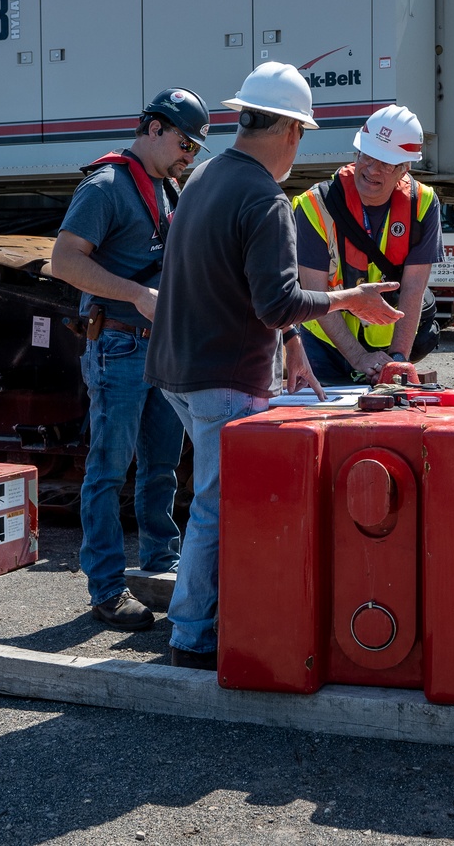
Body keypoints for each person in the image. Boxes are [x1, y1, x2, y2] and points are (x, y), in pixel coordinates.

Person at [144, 62, 403, 670]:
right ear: (291, 131)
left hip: (176, 370)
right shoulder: (265, 198)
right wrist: (351, 297)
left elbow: (236, 284)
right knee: (216, 504)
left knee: (209, 498)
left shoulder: (205, 177)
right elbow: (279, 300)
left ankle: (201, 616)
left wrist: (289, 344)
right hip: (222, 377)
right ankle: (191, 637)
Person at [51, 87, 211, 630]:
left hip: (156, 348)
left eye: (195, 148)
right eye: (186, 143)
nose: (189, 155)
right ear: (155, 128)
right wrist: (137, 294)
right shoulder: (106, 187)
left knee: (162, 466)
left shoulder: (163, 186)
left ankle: (160, 568)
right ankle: (106, 589)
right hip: (119, 344)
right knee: (108, 470)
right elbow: (65, 263)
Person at [292, 104, 443, 385]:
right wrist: (359, 358)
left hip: (386, 348)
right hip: (322, 345)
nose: (372, 170)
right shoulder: (315, 206)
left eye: (386, 163)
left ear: (404, 168)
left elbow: (413, 288)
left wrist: (397, 360)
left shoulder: (422, 204)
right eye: (367, 156)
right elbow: (314, 292)